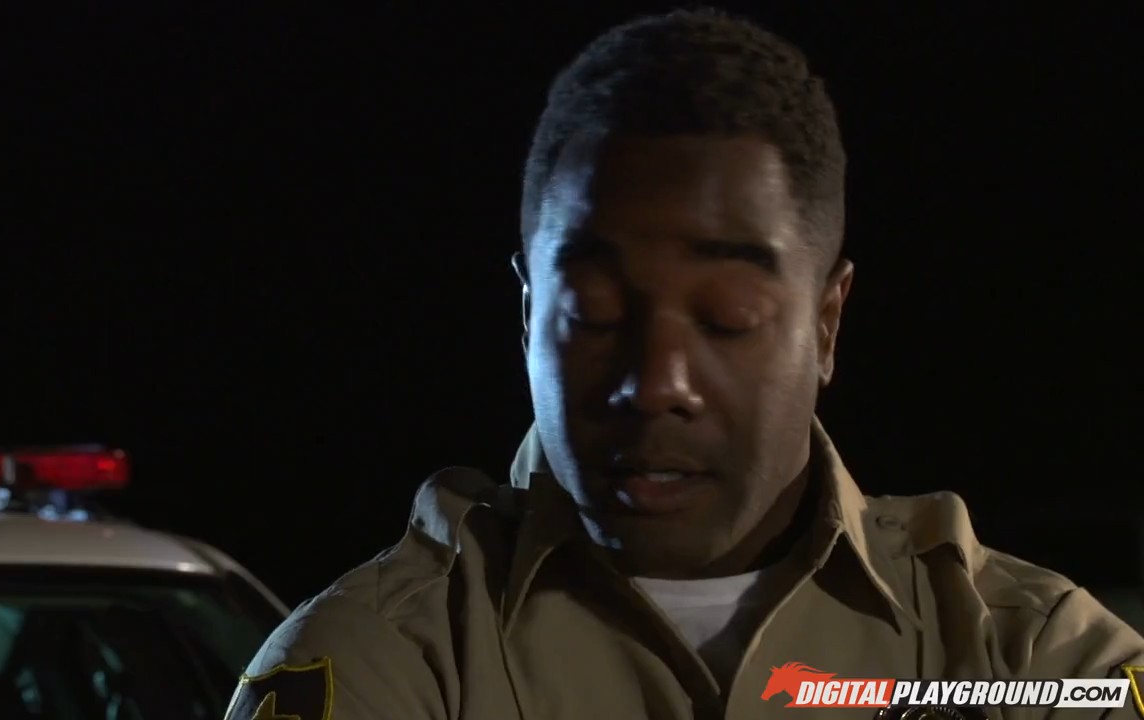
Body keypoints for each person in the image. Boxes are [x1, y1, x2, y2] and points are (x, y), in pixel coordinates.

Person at [225, 9, 1144, 720]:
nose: (657, 382)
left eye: (727, 318)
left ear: (827, 324)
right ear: (529, 313)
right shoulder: (383, 664)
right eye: (595, 313)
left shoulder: (1026, 658)